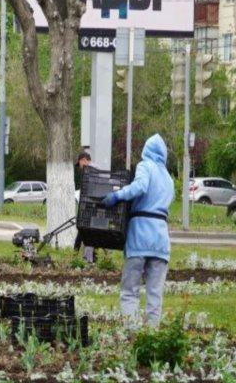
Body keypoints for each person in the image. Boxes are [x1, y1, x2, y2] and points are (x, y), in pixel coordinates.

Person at [101, 133, 174, 328]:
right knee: (154, 295)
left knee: (130, 291)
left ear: (146, 151)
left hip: (140, 238)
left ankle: (131, 334)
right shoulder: (168, 178)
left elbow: (140, 187)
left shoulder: (145, 166)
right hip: (161, 240)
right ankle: (151, 337)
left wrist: (117, 196)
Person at [73, 151, 96, 265]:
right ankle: (76, 254)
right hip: (91, 206)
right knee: (83, 230)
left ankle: (84, 258)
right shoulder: (95, 170)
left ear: (84, 160)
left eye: (80, 164)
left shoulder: (90, 171)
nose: (80, 167)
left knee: (85, 231)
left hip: (89, 207)